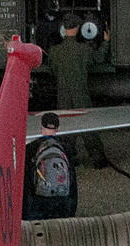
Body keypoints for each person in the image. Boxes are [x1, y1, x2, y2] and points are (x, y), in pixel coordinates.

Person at [46, 12, 109, 167]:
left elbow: (52, 70)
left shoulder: (54, 51)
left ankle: (68, 158)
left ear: (64, 28)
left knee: (66, 128)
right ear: (77, 28)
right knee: (88, 126)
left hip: (63, 95)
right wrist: (106, 42)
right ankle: (98, 159)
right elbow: (98, 59)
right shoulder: (83, 50)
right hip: (81, 94)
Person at [24, 111, 77, 220]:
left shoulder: (31, 148)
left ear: (41, 126)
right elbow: (73, 182)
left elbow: (27, 183)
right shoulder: (66, 148)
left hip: (40, 206)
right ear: (57, 128)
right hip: (63, 205)